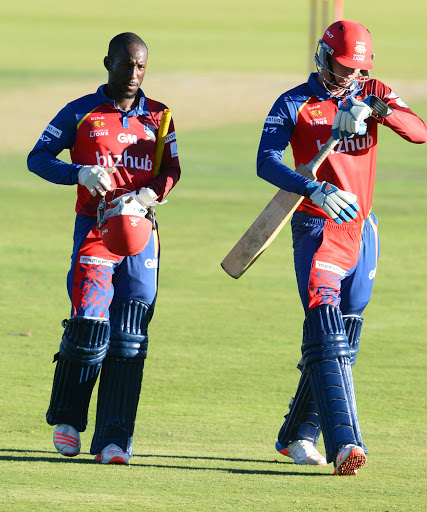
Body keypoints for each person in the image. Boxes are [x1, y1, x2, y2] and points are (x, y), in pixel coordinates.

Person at [256, 20, 427, 475]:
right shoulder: (294, 102)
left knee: (344, 336)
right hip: (317, 228)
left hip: (362, 229)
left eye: (357, 68)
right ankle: (346, 443)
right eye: (342, 66)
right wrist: (311, 188)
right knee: (326, 325)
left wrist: (375, 109)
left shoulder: (373, 90)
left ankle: (297, 434)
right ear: (323, 55)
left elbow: (419, 131)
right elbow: (266, 161)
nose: (349, 74)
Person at [27, 32, 181, 464]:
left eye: (141, 67)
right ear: (107, 63)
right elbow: (37, 158)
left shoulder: (161, 115)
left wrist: (149, 196)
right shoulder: (81, 111)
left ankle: (115, 438)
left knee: (131, 336)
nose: (133, 74)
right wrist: (79, 173)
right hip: (95, 230)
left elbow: (171, 169)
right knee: (91, 323)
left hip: (141, 233)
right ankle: (69, 419)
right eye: (125, 65)